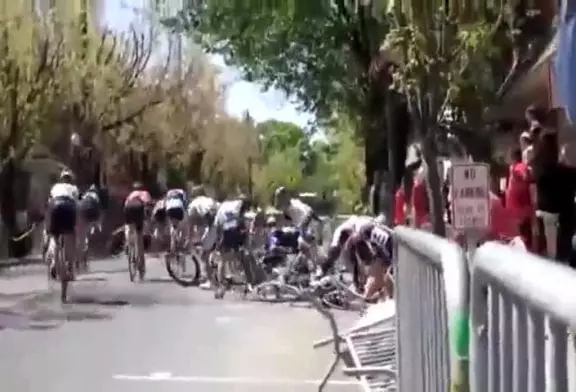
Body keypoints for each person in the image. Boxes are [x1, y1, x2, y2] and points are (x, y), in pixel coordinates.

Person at [202, 194, 252, 298]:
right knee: (242, 256)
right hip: (238, 230)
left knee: (222, 260)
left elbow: (218, 226)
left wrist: (218, 243)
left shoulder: (223, 207)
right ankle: (249, 282)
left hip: (228, 231)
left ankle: (222, 286)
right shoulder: (238, 205)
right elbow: (243, 221)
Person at [345, 216, 393, 301]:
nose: (358, 241)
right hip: (386, 247)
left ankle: (377, 295)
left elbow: (379, 246)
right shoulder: (367, 234)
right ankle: (385, 294)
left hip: (388, 247)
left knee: (377, 274)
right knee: (380, 274)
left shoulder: (364, 231)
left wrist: (386, 259)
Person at [273, 187, 322, 266]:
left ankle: (317, 267)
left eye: (280, 197)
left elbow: (307, 213)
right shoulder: (294, 201)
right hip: (309, 223)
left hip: (307, 224)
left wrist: (303, 226)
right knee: (307, 247)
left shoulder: (290, 207)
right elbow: (309, 210)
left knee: (305, 244)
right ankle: (314, 265)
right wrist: (317, 219)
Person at [45, 170, 79, 279]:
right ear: (70, 179)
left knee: (54, 237)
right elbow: (76, 203)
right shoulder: (74, 188)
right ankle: (69, 266)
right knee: (70, 236)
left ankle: (54, 263)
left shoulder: (55, 187)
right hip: (68, 206)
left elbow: (49, 201)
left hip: (55, 205)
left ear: (61, 178)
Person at [505, 147, 533, 249]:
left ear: (513, 156)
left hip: (519, 207)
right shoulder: (513, 167)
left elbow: (524, 176)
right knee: (518, 233)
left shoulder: (519, 166)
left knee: (521, 233)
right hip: (515, 206)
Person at [123, 182, 152, 266]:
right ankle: (141, 263)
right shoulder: (145, 193)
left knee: (129, 227)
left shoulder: (131, 195)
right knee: (139, 236)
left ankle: (128, 243)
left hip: (127, 209)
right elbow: (148, 205)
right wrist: (148, 219)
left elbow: (125, 205)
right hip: (138, 209)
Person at [76, 184, 103, 269]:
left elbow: (79, 205)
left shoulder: (85, 196)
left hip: (82, 212)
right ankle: (85, 251)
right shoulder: (96, 196)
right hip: (91, 214)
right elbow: (98, 209)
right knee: (88, 232)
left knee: (82, 236)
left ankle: (79, 256)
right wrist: (98, 223)